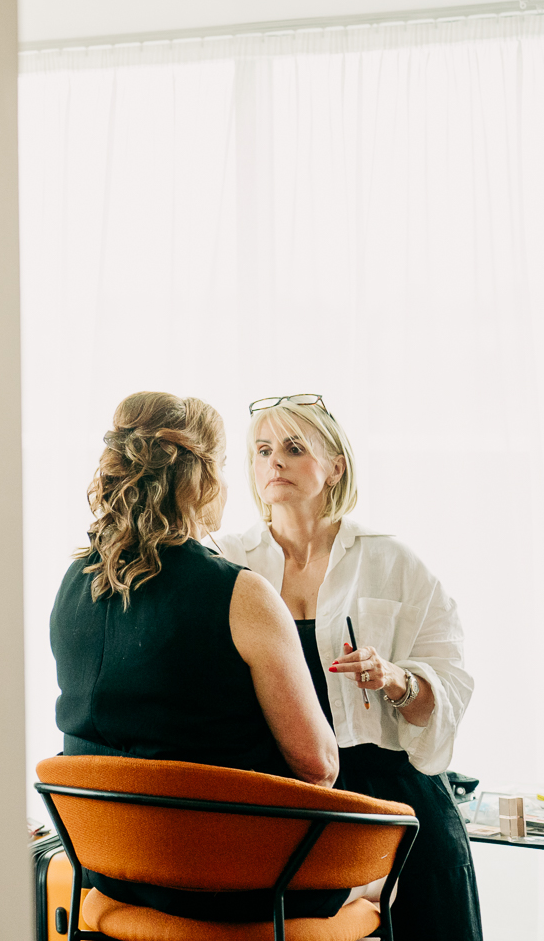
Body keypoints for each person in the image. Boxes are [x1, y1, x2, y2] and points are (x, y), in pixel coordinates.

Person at [51, 390, 343, 923]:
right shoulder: (242, 594)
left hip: (111, 871)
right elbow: (319, 766)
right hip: (226, 884)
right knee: (388, 874)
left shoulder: (73, 582)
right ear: (202, 478)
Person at [214, 394, 482, 941]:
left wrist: (397, 679)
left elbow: (450, 685)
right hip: (283, 796)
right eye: (262, 451)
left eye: (293, 448)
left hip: (392, 795)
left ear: (335, 465)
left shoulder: (394, 561)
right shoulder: (224, 561)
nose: (274, 463)